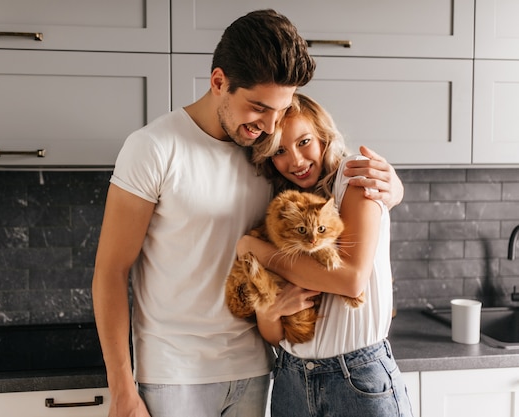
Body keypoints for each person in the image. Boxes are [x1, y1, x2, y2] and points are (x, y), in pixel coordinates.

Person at [92, 9, 404, 417]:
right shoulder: (153, 147)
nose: (271, 125)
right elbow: (111, 271)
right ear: (219, 82)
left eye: (281, 109)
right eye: (258, 108)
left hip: (260, 369)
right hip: (174, 373)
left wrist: (392, 193)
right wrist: (121, 389)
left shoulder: (270, 158)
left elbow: (330, 204)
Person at [237, 93, 413, 416]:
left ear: (323, 135)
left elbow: (351, 280)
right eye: (279, 151)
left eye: (304, 141)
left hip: (357, 382)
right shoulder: (284, 210)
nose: (296, 161)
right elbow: (274, 335)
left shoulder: (353, 175)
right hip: (290, 380)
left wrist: (255, 250)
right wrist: (271, 309)